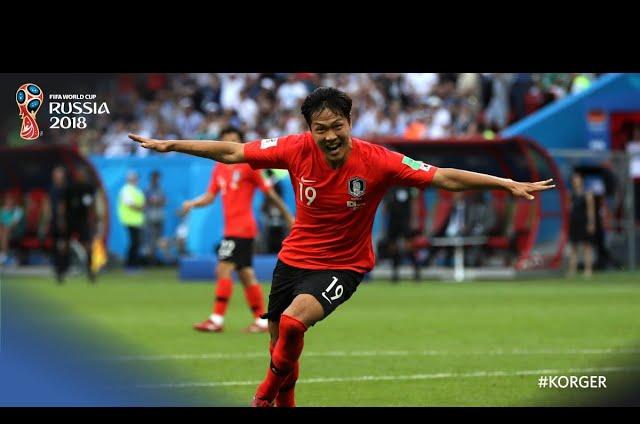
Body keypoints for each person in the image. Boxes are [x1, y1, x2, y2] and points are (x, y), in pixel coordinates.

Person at [129, 86, 555, 407]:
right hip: (292, 261)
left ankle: (262, 395)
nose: (330, 135)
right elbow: (234, 151)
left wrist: (506, 183)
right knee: (282, 354)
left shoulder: (380, 160)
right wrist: (170, 145)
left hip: (344, 266)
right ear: (308, 130)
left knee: (293, 327)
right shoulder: (294, 150)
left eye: (338, 126)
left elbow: (442, 176)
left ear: (350, 123)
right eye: (321, 129)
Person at [182, 127, 294, 334]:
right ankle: (261, 320)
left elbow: (269, 194)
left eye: (234, 140)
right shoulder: (219, 169)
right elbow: (209, 196)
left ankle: (216, 319)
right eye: (226, 140)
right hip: (232, 228)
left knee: (223, 269)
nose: (230, 144)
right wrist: (193, 203)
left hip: (241, 228)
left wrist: (287, 216)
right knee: (245, 274)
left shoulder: (249, 167)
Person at [64, 166, 98, 282]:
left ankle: (90, 271)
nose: (81, 176)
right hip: (71, 220)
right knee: (65, 245)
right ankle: (63, 269)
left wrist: (93, 220)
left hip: (83, 221)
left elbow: (92, 206)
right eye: (79, 174)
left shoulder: (89, 188)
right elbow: (64, 206)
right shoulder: (70, 188)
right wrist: (62, 220)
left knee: (87, 245)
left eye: (82, 174)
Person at [382, 185, 420, 282]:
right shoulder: (390, 186)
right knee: (393, 248)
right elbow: (385, 207)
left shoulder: (408, 186)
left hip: (405, 221)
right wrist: (384, 224)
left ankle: (416, 272)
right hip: (393, 221)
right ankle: (395, 274)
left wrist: (414, 220)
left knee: (409, 247)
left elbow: (414, 203)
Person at [567, 172, 595, 278]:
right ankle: (572, 270)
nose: (576, 181)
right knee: (573, 247)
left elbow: (590, 210)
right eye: (574, 179)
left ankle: (588, 270)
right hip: (574, 223)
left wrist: (591, 223)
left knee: (586, 247)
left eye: (577, 178)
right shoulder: (571, 194)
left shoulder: (587, 194)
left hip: (584, 222)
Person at [118, 170, 145, 270]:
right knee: (134, 243)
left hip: (136, 221)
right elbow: (129, 204)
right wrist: (140, 208)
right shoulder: (126, 190)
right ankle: (130, 265)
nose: (136, 180)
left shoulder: (136, 190)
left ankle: (134, 265)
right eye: (134, 178)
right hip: (129, 221)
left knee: (136, 243)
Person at [145, 170, 166, 265]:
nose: (157, 179)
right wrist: (157, 201)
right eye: (156, 177)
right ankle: (150, 260)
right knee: (151, 239)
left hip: (159, 216)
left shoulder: (160, 188)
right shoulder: (148, 188)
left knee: (159, 239)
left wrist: (157, 201)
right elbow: (148, 201)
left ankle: (155, 259)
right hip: (151, 216)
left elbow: (164, 201)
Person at [0, 193, 24, 265]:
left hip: (15, 231)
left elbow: (14, 224)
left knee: (4, 232)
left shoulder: (18, 211)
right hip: (3, 230)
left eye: (11, 200)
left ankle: (4, 256)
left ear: (14, 201)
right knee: (2, 232)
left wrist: (6, 227)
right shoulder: (2, 210)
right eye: (7, 201)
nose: (9, 202)